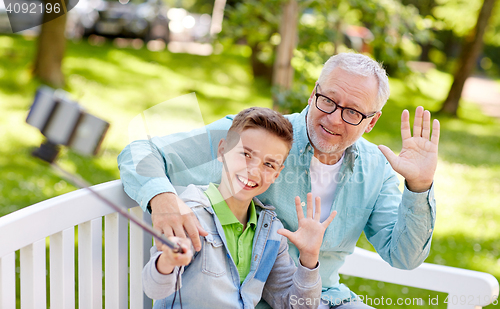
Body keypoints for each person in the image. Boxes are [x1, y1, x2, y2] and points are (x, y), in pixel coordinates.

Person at [118, 52, 440, 308]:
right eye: (328, 100)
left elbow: (404, 256)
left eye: (353, 112)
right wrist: (161, 199)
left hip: (325, 298)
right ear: (314, 92)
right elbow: (140, 151)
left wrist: (420, 186)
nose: (333, 118)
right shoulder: (257, 138)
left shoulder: (377, 169)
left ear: (371, 122)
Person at [142, 107, 336, 308]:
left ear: (277, 173)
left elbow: (298, 305)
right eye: (245, 154)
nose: (253, 170)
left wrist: (309, 258)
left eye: (269, 165)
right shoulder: (191, 216)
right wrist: (167, 261)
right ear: (222, 150)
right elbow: (154, 289)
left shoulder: (271, 234)